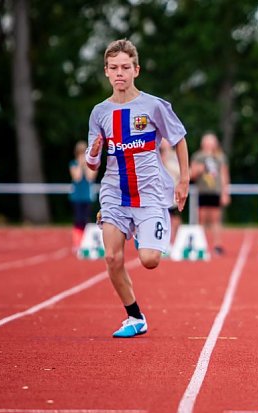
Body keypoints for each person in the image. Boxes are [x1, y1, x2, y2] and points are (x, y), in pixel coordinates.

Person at [85, 39, 190, 338]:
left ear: (136, 70)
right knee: (112, 258)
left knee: (150, 260)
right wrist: (93, 152)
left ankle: (145, 228)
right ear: (106, 71)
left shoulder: (154, 106)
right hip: (114, 193)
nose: (120, 73)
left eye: (125, 68)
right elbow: (92, 164)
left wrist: (183, 180)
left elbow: (179, 138)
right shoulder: (99, 112)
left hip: (151, 194)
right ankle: (135, 316)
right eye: (114, 68)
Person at [191, 132, 230, 255]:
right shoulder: (198, 156)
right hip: (202, 191)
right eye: (207, 142)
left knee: (216, 219)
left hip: (215, 191)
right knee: (201, 218)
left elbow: (224, 175)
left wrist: (225, 192)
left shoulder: (220, 157)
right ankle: (200, 244)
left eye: (211, 142)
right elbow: (191, 174)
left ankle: (217, 245)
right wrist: (198, 170)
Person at [70, 140, 97, 252]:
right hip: (77, 197)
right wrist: (80, 166)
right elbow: (77, 177)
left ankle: (86, 243)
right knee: (78, 220)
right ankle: (77, 243)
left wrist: (86, 165)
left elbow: (91, 177)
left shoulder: (92, 164)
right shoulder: (73, 164)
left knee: (87, 220)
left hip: (87, 197)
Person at [159, 138, 182, 242]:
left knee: (175, 216)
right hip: (159, 191)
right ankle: (161, 240)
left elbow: (178, 171)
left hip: (173, 191)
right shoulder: (154, 155)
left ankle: (174, 240)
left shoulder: (175, 156)